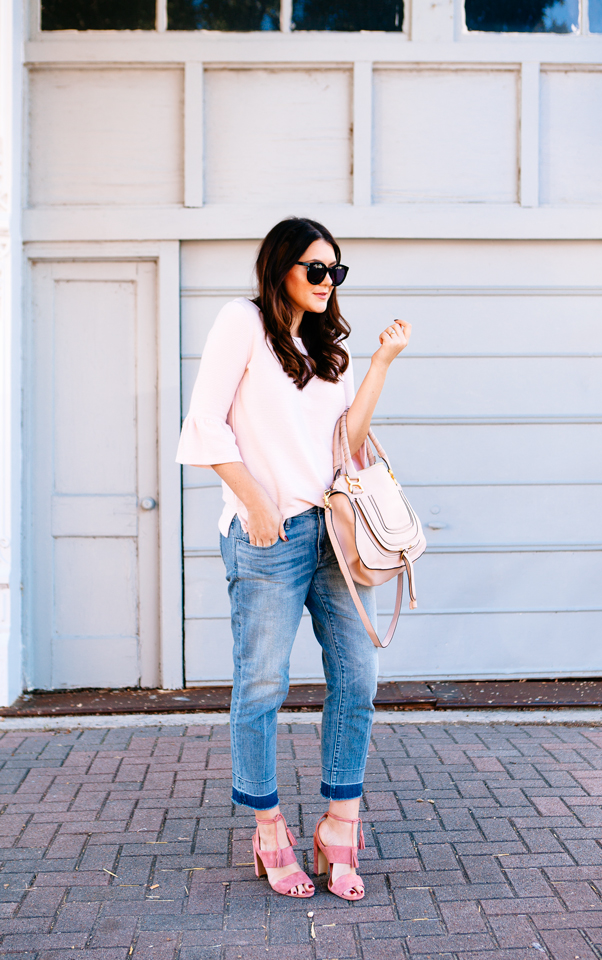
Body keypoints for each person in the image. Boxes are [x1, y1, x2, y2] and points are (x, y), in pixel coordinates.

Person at [176, 217, 411, 900]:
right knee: (262, 685)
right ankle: (269, 825)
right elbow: (204, 421)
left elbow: (347, 438)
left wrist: (381, 365)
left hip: (333, 533)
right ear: (280, 266)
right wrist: (252, 502)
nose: (326, 282)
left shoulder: (321, 345)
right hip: (267, 536)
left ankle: (341, 823)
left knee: (359, 675)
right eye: (316, 268)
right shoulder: (241, 323)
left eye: (336, 272)